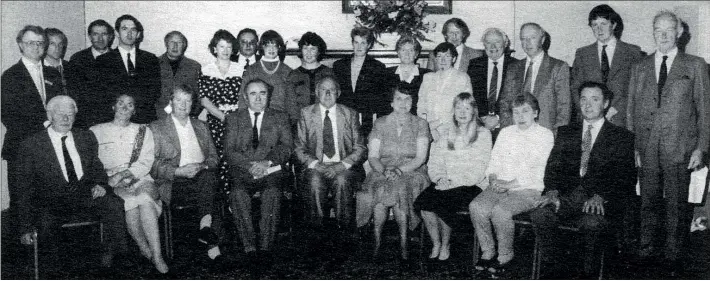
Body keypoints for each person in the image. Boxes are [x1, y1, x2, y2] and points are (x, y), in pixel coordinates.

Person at [627, 10, 710, 276]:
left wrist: (701, 147)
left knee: (676, 204)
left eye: (668, 31)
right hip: (647, 146)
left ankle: (673, 258)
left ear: (679, 33)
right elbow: (630, 109)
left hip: (680, 146)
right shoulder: (639, 67)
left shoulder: (695, 65)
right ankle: (646, 250)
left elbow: (705, 109)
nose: (662, 36)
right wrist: (634, 146)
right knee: (647, 201)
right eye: (657, 31)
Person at [530, 82, 636, 279]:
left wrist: (601, 196)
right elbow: (552, 168)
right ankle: (555, 269)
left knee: (592, 223)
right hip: (565, 197)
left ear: (605, 104)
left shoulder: (621, 137)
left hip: (599, 202)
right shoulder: (566, 132)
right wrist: (552, 190)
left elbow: (626, 178)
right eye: (583, 99)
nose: (587, 105)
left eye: (594, 99)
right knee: (540, 215)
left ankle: (587, 274)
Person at [15, 96, 127, 277]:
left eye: (70, 114)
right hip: (51, 202)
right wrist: (25, 227)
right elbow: (24, 190)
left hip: (84, 195)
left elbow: (96, 168)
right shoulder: (31, 145)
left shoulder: (86, 137)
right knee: (45, 223)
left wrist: (100, 184)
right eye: (61, 114)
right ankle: (56, 272)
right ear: (50, 115)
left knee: (114, 204)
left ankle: (113, 259)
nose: (66, 119)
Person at [469, 93, 554, 277]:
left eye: (525, 111)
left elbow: (537, 170)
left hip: (528, 189)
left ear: (536, 113)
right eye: (516, 112)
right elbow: (494, 161)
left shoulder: (545, 135)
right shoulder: (506, 132)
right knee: (476, 207)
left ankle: (505, 255)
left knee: (500, 211)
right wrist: (492, 179)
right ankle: (488, 250)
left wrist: (509, 184)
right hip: (500, 185)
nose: (521, 116)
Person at [90, 93, 168, 274]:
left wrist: (126, 174)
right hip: (111, 181)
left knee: (144, 199)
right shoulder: (96, 131)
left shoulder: (143, 131)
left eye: (130, 105)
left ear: (134, 110)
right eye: (121, 103)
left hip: (140, 176)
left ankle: (156, 255)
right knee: (131, 203)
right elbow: (93, 162)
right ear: (113, 106)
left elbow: (146, 161)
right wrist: (111, 179)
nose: (125, 108)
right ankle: (145, 248)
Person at [150, 84, 224, 263]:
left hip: (202, 177)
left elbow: (214, 158)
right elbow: (151, 165)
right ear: (171, 102)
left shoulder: (201, 126)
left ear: (193, 104)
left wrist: (202, 166)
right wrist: (179, 171)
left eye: (188, 100)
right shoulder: (156, 127)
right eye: (178, 100)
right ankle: (211, 245)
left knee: (208, 178)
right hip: (175, 182)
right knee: (213, 194)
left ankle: (205, 232)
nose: (183, 105)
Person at [355, 85, 431, 260]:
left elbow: (420, 158)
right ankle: (377, 240)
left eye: (407, 99)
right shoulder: (380, 123)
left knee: (399, 187)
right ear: (391, 102)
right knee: (382, 186)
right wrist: (384, 170)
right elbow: (373, 156)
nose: (403, 103)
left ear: (413, 102)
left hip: (412, 171)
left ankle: (403, 242)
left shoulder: (421, 124)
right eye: (399, 98)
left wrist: (398, 170)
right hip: (382, 169)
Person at [414, 93, 492, 261]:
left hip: (471, 184)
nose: (462, 112)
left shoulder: (483, 134)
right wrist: (440, 177)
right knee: (424, 204)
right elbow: (435, 161)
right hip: (445, 181)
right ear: (453, 111)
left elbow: (480, 169)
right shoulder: (447, 132)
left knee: (444, 203)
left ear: (473, 111)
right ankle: (436, 242)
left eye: (467, 108)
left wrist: (453, 182)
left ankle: (446, 244)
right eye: (458, 108)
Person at [224, 79, 292, 256]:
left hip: (271, 170)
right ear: (246, 98)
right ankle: (250, 248)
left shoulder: (280, 117)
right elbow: (229, 151)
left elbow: (286, 147)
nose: (258, 98)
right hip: (243, 171)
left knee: (272, 193)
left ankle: (265, 247)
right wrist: (249, 166)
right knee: (237, 194)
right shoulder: (234, 118)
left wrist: (266, 162)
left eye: (263, 93)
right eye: (253, 94)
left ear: (268, 96)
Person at [2, 25, 63, 204]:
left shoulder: (53, 74)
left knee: (48, 202)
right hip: (22, 146)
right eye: (30, 43)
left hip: (52, 146)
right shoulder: (10, 76)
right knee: (23, 201)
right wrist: (45, 125)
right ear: (20, 45)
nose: (36, 47)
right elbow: (8, 115)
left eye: (40, 43)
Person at [294, 76, 366, 229]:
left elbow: (360, 147)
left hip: (343, 166)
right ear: (316, 92)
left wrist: (341, 165)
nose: (327, 94)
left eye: (331, 90)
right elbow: (299, 148)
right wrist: (315, 164)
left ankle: (344, 231)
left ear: (338, 93)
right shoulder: (306, 113)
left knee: (341, 181)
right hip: (315, 166)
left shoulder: (350, 114)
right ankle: (317, 231)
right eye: (323, 90)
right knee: (314, 181)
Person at [570, 4, 643, 127]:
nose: (599, 29)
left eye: (603, 24)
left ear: (613, 25)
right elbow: (575, 88)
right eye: (594, 25)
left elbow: (638, 89)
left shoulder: (633, 52)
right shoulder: (582, 54)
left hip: (622, 120)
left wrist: (616, 108)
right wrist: (588, 110)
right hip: (590, 120)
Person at [499, 23, 570, 133]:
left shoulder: (558, 67)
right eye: (523, 39)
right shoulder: (513, 68)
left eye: (532, 38)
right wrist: (508, 131)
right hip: (516, 133)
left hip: (546, 134)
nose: (527, 43)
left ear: (542, 40)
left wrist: (556, 138)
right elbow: (505, 103)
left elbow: (564, 108)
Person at [94, 14, 161, 125]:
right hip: (114, 120)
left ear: (138, 34)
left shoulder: (150, 59)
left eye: (133, 30)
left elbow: (154, 91)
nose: (129, 34)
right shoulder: (103, 61)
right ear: (116, 33)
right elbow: (102, 94)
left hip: (143, 119)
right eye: (124, 29)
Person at [199, 29, 242, 193]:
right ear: (214, 49)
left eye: (229, 47)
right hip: (215, 121)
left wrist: (234, 119)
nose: (225, 51)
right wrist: (223, 117)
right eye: (221, 46)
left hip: (237, 121)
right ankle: (221, 200)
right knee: (218, 158)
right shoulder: (205, 69)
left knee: (235, 157)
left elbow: (243, 98)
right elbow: (204, 100)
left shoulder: (240, 69)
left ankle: (235, 197)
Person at [333, 27, 389, 136]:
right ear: (352, 43)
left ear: (369, 45)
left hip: (367, 119)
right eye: (356, 42)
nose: (359, 47)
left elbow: (381, 99)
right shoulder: (339, 65)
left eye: (363, 43)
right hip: (343, 117)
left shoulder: (377, 67)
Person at [466, 28, 519, 142]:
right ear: (484, 45)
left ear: (505, 44)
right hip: (479, 125)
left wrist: (498, 118)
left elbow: (518, 98)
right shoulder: (475, 65)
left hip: (507, 125)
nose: (493, 47)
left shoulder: (517, 66)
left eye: (497, 42)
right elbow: (470, 94)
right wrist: (483, 117)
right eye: (489, 43)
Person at [240, 30, 296, 128]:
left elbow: (291, 102)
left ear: (279, 48)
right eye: (267, 45)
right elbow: (243, 97)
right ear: (262, 47)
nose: (271, 49)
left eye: (274, 45)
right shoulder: (251, 69)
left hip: (280, 121)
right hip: (255, 119)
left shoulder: (288, 71)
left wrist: (290, 123)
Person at [417, 42, 473, 140]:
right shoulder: (428, 77)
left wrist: (437, 124)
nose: (442, 59)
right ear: (436, 59)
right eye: (439, 56)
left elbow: (464, 107)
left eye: (447, 56)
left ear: (454, 59)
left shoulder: (462, 78)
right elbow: (421, 105)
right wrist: (428, 126)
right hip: (428, 130)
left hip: (452, 129)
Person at [66, 19, 115, 128]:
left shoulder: (118, 58)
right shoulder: (77, 59)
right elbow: (74, 93)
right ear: (89, 36)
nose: (100, 38)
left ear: (110, 36)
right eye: (95, 34)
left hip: (113, 121)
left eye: (104, 34)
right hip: (85, 122)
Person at [287, 31, 334, 119]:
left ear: (319, 51)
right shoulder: (293, 75)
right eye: (305, 48)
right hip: (300, 122)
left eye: (313, 49)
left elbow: (332, 100)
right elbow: (291, 106)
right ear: (301, 50)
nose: (309, 53)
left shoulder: (328, 73)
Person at [156, 31, 202, 120]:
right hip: (158, 118)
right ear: (166, 44)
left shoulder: (194, 66)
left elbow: (199, 97)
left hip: (185, 117)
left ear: (184, 46)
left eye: (179, 43)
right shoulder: (154, 64)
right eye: (172, 42)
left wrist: (190, 114)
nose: (175, 46)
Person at [386, 36, 430, 115]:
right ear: (398, 53)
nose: (407, 54)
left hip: (417, 121)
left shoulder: (426, 75)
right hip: (392, 121)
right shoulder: (386, 73)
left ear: (416, 54)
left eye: (411, 50)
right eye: (403, 50)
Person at [43, 28, 69, 92]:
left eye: (60, 44)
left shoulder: (71, 67)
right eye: (52, 44)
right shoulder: (38, 68)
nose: (57, 48)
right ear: (44, 45)